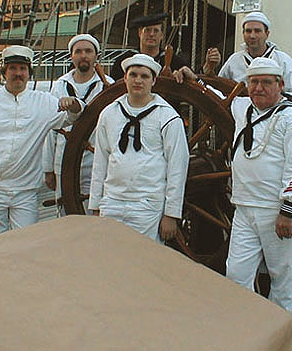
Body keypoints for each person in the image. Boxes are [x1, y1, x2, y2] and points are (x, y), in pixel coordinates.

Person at [0, 45, 84, 238]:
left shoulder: (44, 103)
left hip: (25, 191)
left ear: (29, 73)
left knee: (26, 244)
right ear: (4, 73)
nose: (18, 73)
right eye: (13, 69)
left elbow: (73, 117)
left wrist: (74, 103)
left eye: (22, 69)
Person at [226, 57, 292, 314]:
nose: (258, 88)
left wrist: (288, 212)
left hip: (278, 211)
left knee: (283, 280)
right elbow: (214, 94)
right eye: (253, 82)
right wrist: (194, 78)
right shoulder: (242, 108)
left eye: (266, 82)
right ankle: (248, 332)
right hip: (244, 209)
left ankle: (281, 338)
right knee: (236, 274)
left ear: (280, 85)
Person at [88, 54, 189, 242]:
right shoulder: (109, 114)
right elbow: (100, 162)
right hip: (112, 202)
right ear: (125, 78)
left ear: (154, 81)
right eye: (133, 75)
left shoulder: (167, 117)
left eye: (144, 76)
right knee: (108, 260)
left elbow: (177, 167)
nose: (138, 80)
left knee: (144, 263)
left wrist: (171, 214)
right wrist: (95, 205)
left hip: (147, 206)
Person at [42, 34, 114, 215]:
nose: (84, 55)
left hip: (97, 162)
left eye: (88, 51)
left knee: (96, 210)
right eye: (78, 51)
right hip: (63, 161)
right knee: (65, 213)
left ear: (96, 56)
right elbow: (51, 129)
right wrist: (48, 169)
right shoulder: (59, 86)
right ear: (71, 56)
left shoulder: (109, 86)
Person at [216, 11, 292, 93]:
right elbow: (218, 88)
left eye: (257, 31)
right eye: (248, 31)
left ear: (267, 34)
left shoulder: (283, 60)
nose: (252, 35)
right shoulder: (234, 61)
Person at [110, 13, 189, 80]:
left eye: (156, 31)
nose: (151, 34)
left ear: (161, 35)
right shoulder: (124, 61)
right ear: (140, 32)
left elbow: (198, 85)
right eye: (147, 30)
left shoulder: (175, 62)